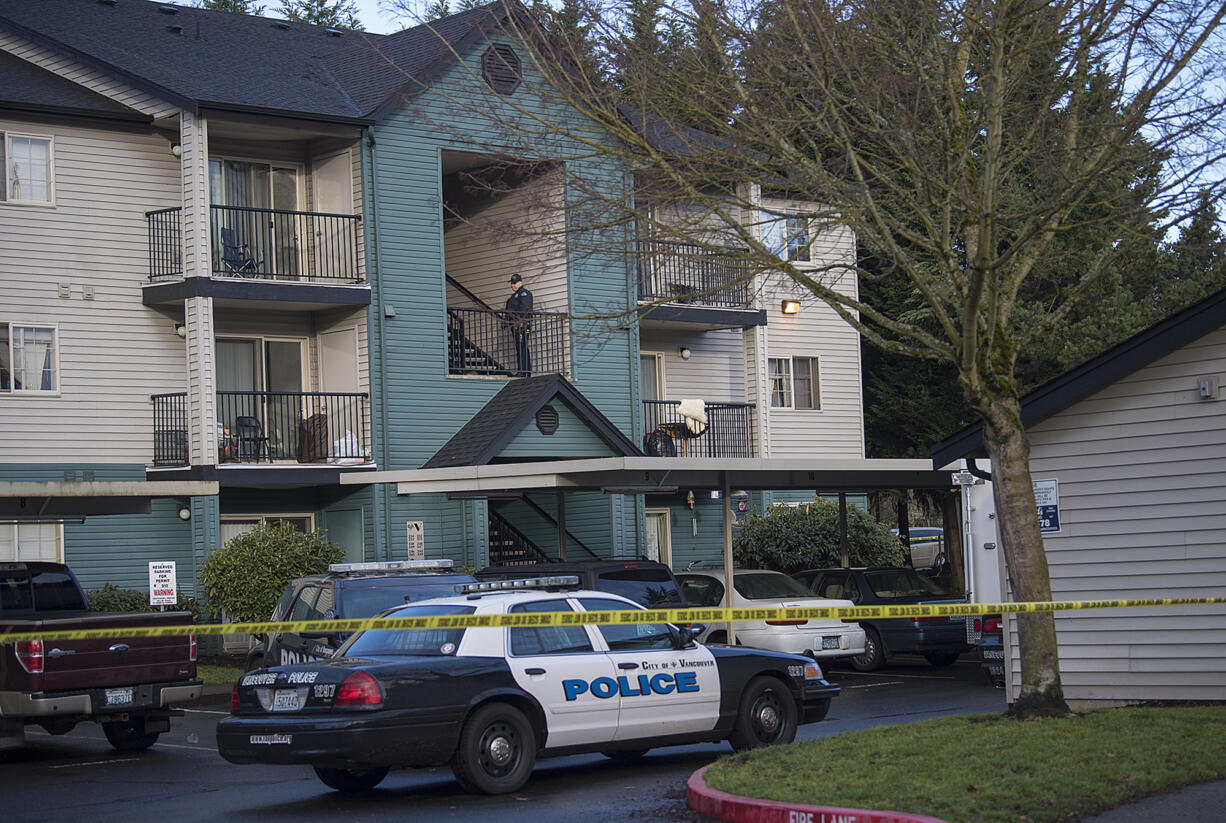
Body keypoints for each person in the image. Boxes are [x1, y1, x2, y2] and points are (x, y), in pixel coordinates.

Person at [505, 273, 534, 376]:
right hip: (515, 326)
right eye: (511, 283)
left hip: (522, 326)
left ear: (520, 282)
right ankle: (522, 370)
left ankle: (524, 371)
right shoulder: (514, 297)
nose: (512, 285)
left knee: (522, 346)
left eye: (514, 283)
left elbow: (525, 309)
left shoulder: (524, 294)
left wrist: (521, 322)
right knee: (520, 347)